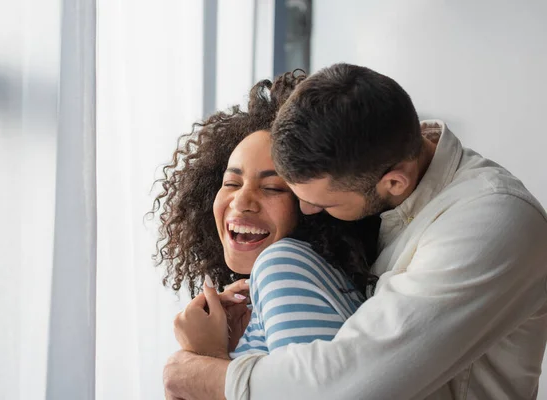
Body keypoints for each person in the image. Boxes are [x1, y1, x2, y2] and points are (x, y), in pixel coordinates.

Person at [162, 63, 547, 400]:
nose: (308, 210)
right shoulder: (385, 189)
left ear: (393, 182)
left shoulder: (491, 220)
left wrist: (198, 367)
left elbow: (342, 386)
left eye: (323, 204)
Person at [150, 72, 379, 364]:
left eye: (272, 188)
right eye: (231, 183)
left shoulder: (282, 266)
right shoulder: (292, 280)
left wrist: (207, 358)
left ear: (314, 205)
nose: (241, 201)